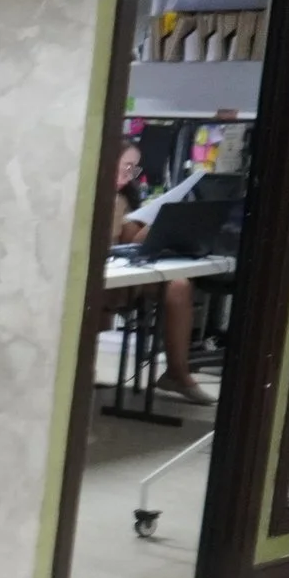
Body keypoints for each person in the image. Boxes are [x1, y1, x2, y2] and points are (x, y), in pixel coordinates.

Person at [107, 139, 214, 405]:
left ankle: (178, 372)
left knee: (179, 285)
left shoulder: (123, 198)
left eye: (133, 169)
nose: (128, 175)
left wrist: (159, 220)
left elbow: (131, 242)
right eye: (125, 167)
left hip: (120, 274)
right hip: (99, 277)